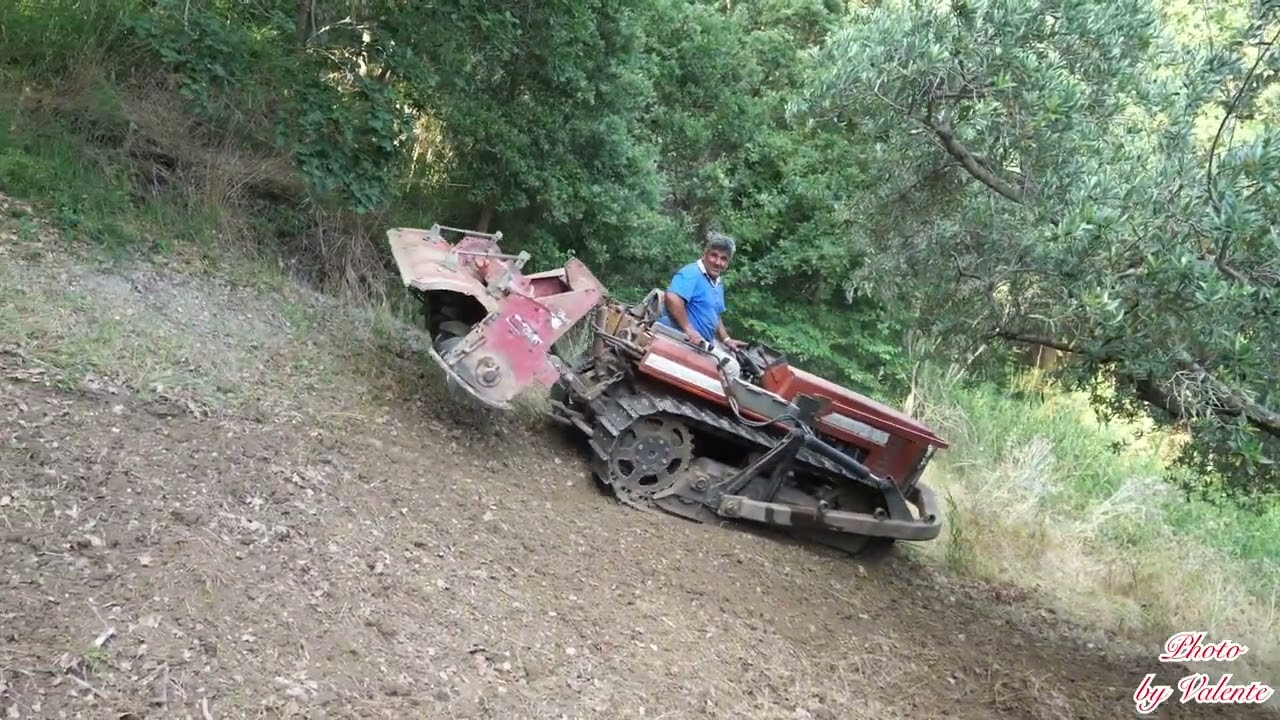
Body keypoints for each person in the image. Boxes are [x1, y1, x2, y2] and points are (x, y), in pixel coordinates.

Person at [656, 232, 746, 378]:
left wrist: (726, 339)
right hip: (682, 336)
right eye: (714, 255)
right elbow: (672, 297)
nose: (718, 262)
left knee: (735, 356)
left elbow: (715, 314)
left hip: (703, 340)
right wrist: (689, 329)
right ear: (705, 254)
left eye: (723, 259)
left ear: (728, 263)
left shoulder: (717, 281)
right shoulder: (692, 273)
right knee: (731, 368)